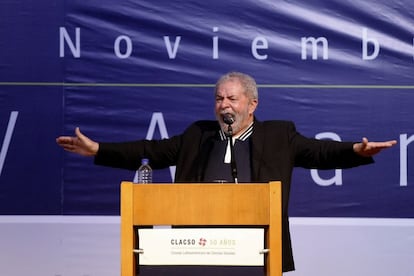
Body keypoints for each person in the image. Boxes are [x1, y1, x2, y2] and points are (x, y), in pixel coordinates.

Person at [56, 71, 397, 272]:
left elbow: (320, 152)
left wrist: (355, 149)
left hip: (259, 247)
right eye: (219, 99)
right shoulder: (198, 135)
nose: (224, 106)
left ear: (252, 105)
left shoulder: (279, 135)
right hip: (197, 248)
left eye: (232, 99)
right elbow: (151, 151)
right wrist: (98, 149)